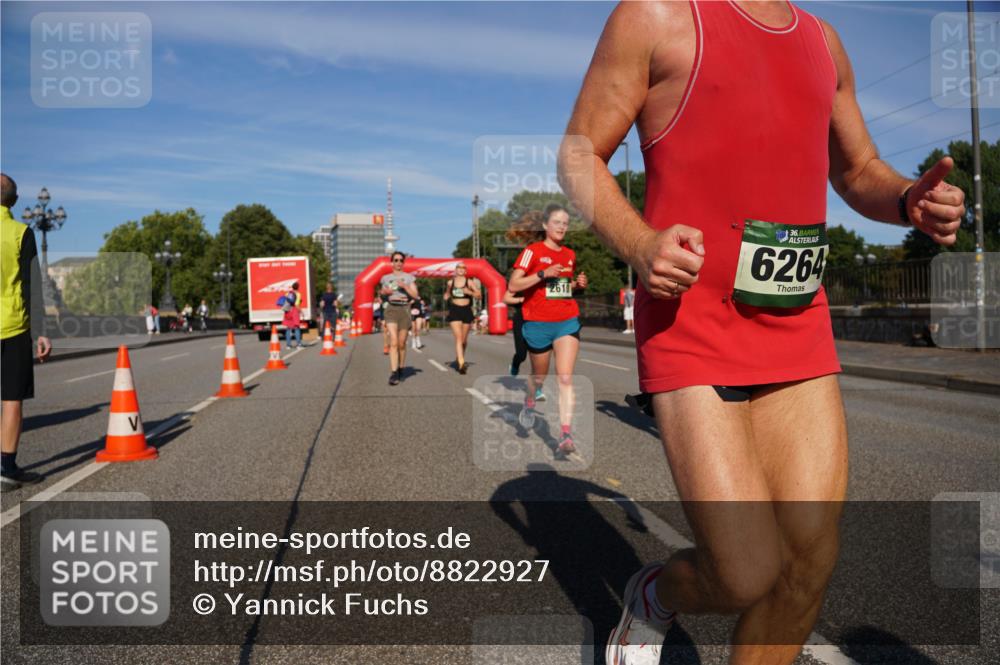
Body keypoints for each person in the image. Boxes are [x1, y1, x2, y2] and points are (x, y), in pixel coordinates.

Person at [558, 3, 965, 663]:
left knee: (807, 559)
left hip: (794, 318)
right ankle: (657, 593)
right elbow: (580, 152)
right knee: (744, 569)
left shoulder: (822, 42)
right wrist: (639, 243)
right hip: (690, 314)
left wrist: (905, 200)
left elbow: (857, 169)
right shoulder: (657, 16)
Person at [508, 205, 588, 455]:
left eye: (565, 223)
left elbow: (559, 290)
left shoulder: (569, 254)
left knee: (565, 377)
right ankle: (529, 402)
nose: (562, 227)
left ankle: (565, 434)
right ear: (545, 225)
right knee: (538, 377)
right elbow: (513, 284)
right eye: (557, 222)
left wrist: (577, 286)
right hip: (538, 324)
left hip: (566, 320)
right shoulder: (532, 252)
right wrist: (542, 273)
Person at [1, 173, 52, 492]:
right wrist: (42, 332)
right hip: (13, 325)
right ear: (15, 202)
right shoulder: (21, 232)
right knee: (11, 398)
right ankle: (5, 468)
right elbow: (32, 286)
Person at [379, 251, 419, 385]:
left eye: (401, 260)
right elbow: (381, 293)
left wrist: (405, 286)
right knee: (394, 342)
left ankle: (401, 368)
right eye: (396, 260)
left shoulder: (409, 278)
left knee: (402, 343)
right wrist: (385, 292)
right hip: (391, 309)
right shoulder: (385, 278)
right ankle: (394, 372)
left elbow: (415, 295)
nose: (398, 263)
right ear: (392, 262)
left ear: (403, 262)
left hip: (404, 310)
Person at [443, 261, 480, 373]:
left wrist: (469, 292)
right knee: (458, 338)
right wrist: (447, 295)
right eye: (458, 267)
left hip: (466, 310)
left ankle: (460, 357)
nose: (460, 269)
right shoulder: (450, 282)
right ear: (455, 270)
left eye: (463, 268)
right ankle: (461, 363)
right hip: (455, 310)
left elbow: (479, 295)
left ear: (465, 271)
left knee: (464, 340)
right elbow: (446, 295)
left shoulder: (469, 282)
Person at [503, 286, 527, 377]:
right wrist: (521, 299)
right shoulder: (522, 280)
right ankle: (515, 364)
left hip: (541, 320)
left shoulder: (548, 278)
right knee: (521, 355)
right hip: (522, 319)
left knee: (539, 356)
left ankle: (537, 386)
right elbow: (505, 299)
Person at [282, 282, 302, 348]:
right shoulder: (298, 294)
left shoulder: (288, 293)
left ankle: (288, 345)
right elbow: (296, 304)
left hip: (288, 311)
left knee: (288, 328)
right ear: (298, 287)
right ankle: (298, 344)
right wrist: (301, 311)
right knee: (296, 328)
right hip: (294, 311)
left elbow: (285, 301)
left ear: (292, 287)